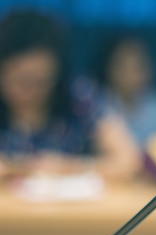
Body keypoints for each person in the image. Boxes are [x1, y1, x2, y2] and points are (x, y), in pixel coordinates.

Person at [0, 10, 140, 182]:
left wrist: (70, 167)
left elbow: (128, 161)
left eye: (41, 81)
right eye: (21, 80)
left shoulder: (78, 95)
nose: (30, 91)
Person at [95, 36, 156, 149]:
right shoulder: (95, 109)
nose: (133, 75)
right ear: (109, 69)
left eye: (139, 66)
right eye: (125, 67)